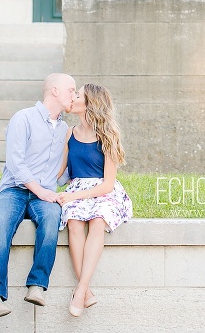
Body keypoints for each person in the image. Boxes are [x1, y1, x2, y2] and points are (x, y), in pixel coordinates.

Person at [0, 73, 76, 319]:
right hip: (13, 190)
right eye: (71, 90)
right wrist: (42, 191)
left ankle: (37, 285)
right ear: (55, 90)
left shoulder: (65, 129)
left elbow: (62, 172)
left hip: (44, 195)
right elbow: (16, 163)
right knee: (0, 227)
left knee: (52, 218)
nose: (74, 95)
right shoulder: (22, 118)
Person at [56, 83, 133, 317]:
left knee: (98, 220)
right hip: (77, 186)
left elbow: (107, 184)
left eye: (77, 95)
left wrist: (74, 195)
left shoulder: (108, 136)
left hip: (102, 190)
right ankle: (86, 290)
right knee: (74, 221)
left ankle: (80, 290)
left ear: (89, 103)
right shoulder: (70, 133)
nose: (73, 97)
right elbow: (59, 172)